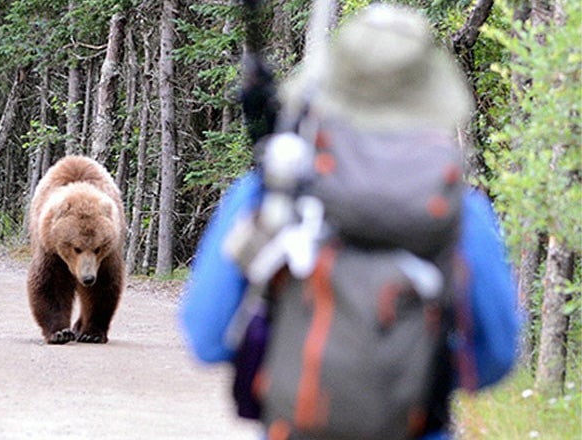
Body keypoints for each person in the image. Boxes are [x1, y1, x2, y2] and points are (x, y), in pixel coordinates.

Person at [179, 4, 519, 439]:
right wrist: (408, 375)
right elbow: (494, 361)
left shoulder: (275, 191)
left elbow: (207, 337)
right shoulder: (460, 213)